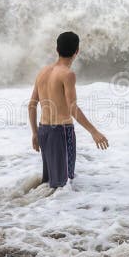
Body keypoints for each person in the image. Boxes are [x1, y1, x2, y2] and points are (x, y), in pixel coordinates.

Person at [28, 31, 109, 188]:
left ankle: (33, 210)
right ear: (77, 51)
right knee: (62, 186)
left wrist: (34, 133)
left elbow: (32, 105)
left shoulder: (43, 72)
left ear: (57, 49)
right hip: (61, 133)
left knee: (50, 182)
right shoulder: (67, 74)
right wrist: (94, 132)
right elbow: (72, 108)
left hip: (43, 130)